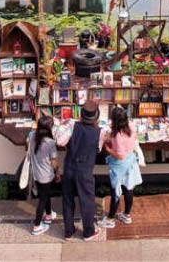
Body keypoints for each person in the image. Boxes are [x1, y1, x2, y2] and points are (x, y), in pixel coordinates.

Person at [62, 100, 102, 241]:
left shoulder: (72, 125)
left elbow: (61, 141)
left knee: (67, 200)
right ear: (96, 117)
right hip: (84, 170)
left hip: (69, 167)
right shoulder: (99, 133)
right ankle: (88, 231)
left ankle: (68, 231)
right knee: (87, 201)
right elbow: (99, 148)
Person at [98, 106, 142, 229]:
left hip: (120, 165)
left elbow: (119, 156)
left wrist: (107, 149)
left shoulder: (118, 135)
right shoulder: (130, 126)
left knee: (115, 191)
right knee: (129, 188)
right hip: (130, 161)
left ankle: (110, 219)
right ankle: (126, 215)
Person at [28, 115, 60, 236]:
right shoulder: (50, 143)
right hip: (46, 175)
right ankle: (37, 225)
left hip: (36, 174)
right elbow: (54, 161)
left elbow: (31, 133)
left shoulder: (32, 137)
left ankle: (48, 215)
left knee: (45, 194)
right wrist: (57, 173)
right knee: (42, 199)